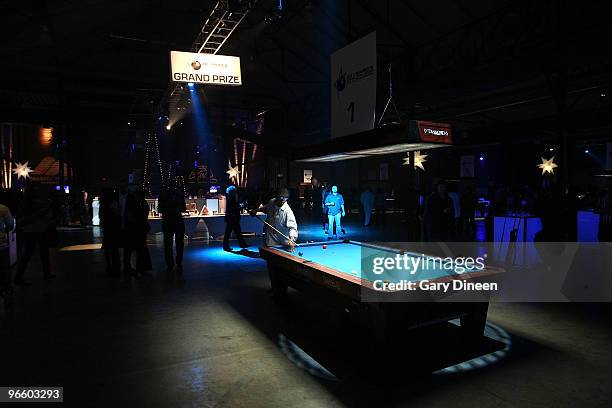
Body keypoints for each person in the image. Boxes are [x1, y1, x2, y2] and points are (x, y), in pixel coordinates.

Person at [14, 184, 57, 285]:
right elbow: (48, 217)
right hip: (41, 229)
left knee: (27, 254)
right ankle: (47, 273)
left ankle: (18, 277)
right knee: (44, 253)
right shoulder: (42, 203)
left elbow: (21, 217)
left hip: (28, 230)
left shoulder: (23, 204)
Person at [158, 184, 186, 269]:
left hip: (168, 222)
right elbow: (184, 208)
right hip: (178, 221)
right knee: (179, 243)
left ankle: (170, 263)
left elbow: (160, 209)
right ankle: (178, 260)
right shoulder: (179, 195)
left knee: (168, 244)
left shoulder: (162, 195)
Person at [100, 188, 121, 275]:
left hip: (107, 228)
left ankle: (109, 265)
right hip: (113, 228)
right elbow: (117, 215)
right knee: (114, 248)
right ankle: (116, 265)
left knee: (108, 248)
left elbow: (101, 216)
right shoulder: (114, 203)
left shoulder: (104, 204)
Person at [222, 185, 248, 252]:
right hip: (232, 217)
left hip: (231, 217)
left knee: (236, 231)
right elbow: (235, 207)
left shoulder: (229, 198)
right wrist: (242, 205)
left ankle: (242, 244)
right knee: (231, 232)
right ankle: (227, 246)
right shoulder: (231, 199)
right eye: (235, 191)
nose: (236, 192)